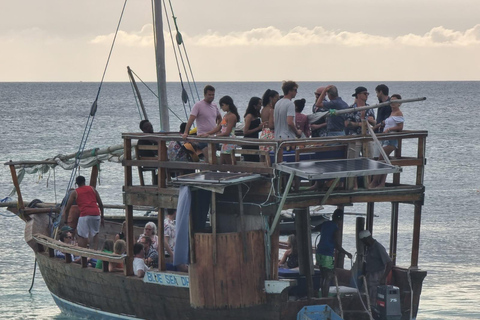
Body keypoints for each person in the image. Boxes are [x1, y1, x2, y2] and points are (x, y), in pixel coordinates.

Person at [369, 94, 405, 188]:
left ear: (399, 103)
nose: (392, 103)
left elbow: (400, 127)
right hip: (386, 139)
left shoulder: (398, 113)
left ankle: (375, 182)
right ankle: (380, 183)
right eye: (391, 101)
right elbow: (385, 122)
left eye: (395, 101)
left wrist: (389, 129)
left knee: (381, 159)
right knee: (384, 160)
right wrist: (375, 127)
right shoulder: (391, 113)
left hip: (392, 140)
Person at [315, 209, 352, 298]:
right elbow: (337, 245)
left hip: (319, 252)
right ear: (340, 220)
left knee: (323, 275)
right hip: (327, 254)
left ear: (332, 216)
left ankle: (321, 295)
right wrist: (347, 253)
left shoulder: (325, 223)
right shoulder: (336, 229)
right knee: (328, 277)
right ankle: (325, 297)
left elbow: (315, 228)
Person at [64, 176, 104, 249]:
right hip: (96, 214)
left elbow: (67, 208)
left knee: (82, 236)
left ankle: (83, 255)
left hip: (85, 215)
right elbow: (101, 204)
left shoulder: (75, 192)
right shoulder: (92, 189)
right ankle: (95, 253)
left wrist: (65, 220)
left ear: (76, 184)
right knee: (95, 234)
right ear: (84, 182)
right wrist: (102, 217)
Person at [182, 85, 222, 158]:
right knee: (208, 158)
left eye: (213, 95)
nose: (211, 96)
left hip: (213, 137)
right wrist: (186, 132)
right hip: (202, 136)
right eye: (209, 95)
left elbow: (220, 118)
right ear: (205, 95)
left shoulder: (214, 106)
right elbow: (191, 119)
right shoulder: (198, 105)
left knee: (213, 159)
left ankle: (213, 169)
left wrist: (218, 129)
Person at [201, 95, 240, 165]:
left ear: (228, 104)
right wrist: (208, 133)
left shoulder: (232, 116)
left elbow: (227, 132)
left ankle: (234, 173)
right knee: (222, 161)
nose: (221, 108)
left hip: (229, 140)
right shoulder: (226, 116)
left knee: (229, 161)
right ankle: (224, 173)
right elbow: (218, 127)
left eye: (222, 105)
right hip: (225, 140)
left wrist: (215, 136)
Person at [359, 230, 393, 304]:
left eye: (363, 241)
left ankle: (374, 312)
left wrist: (383, 278)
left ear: (367, 239)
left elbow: (389, 263)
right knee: (364, 294)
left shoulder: (378, 247)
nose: (363, 243)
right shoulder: (369, 247)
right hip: (369, 275)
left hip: (377, 276)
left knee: (374, 296)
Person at [243, 97, 263, 162]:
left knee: (256, 159)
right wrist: (258, 128)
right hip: (248, 142)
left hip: (255, 140)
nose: (261, 106)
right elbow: (245, 131)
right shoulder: (249, 116)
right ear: (254, 105)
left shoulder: (256, 115)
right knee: (249, 160)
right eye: (259, 104)